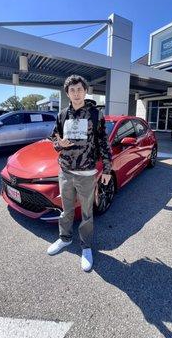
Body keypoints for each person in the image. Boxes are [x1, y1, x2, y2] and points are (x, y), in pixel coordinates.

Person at [47, 75, 112, 272]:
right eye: (72, 90)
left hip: (86, 172)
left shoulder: (95, 114)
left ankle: (86, 247)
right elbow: (53, 139)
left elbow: (103, 142)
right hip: (65, 171)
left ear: (85, 91)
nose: (76, 93)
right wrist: (60, 144)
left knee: (86, 213)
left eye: (79, 89)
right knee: (66, 210)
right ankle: (64, 238)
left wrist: (107, 168)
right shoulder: (62, 115)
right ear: (67, 93)